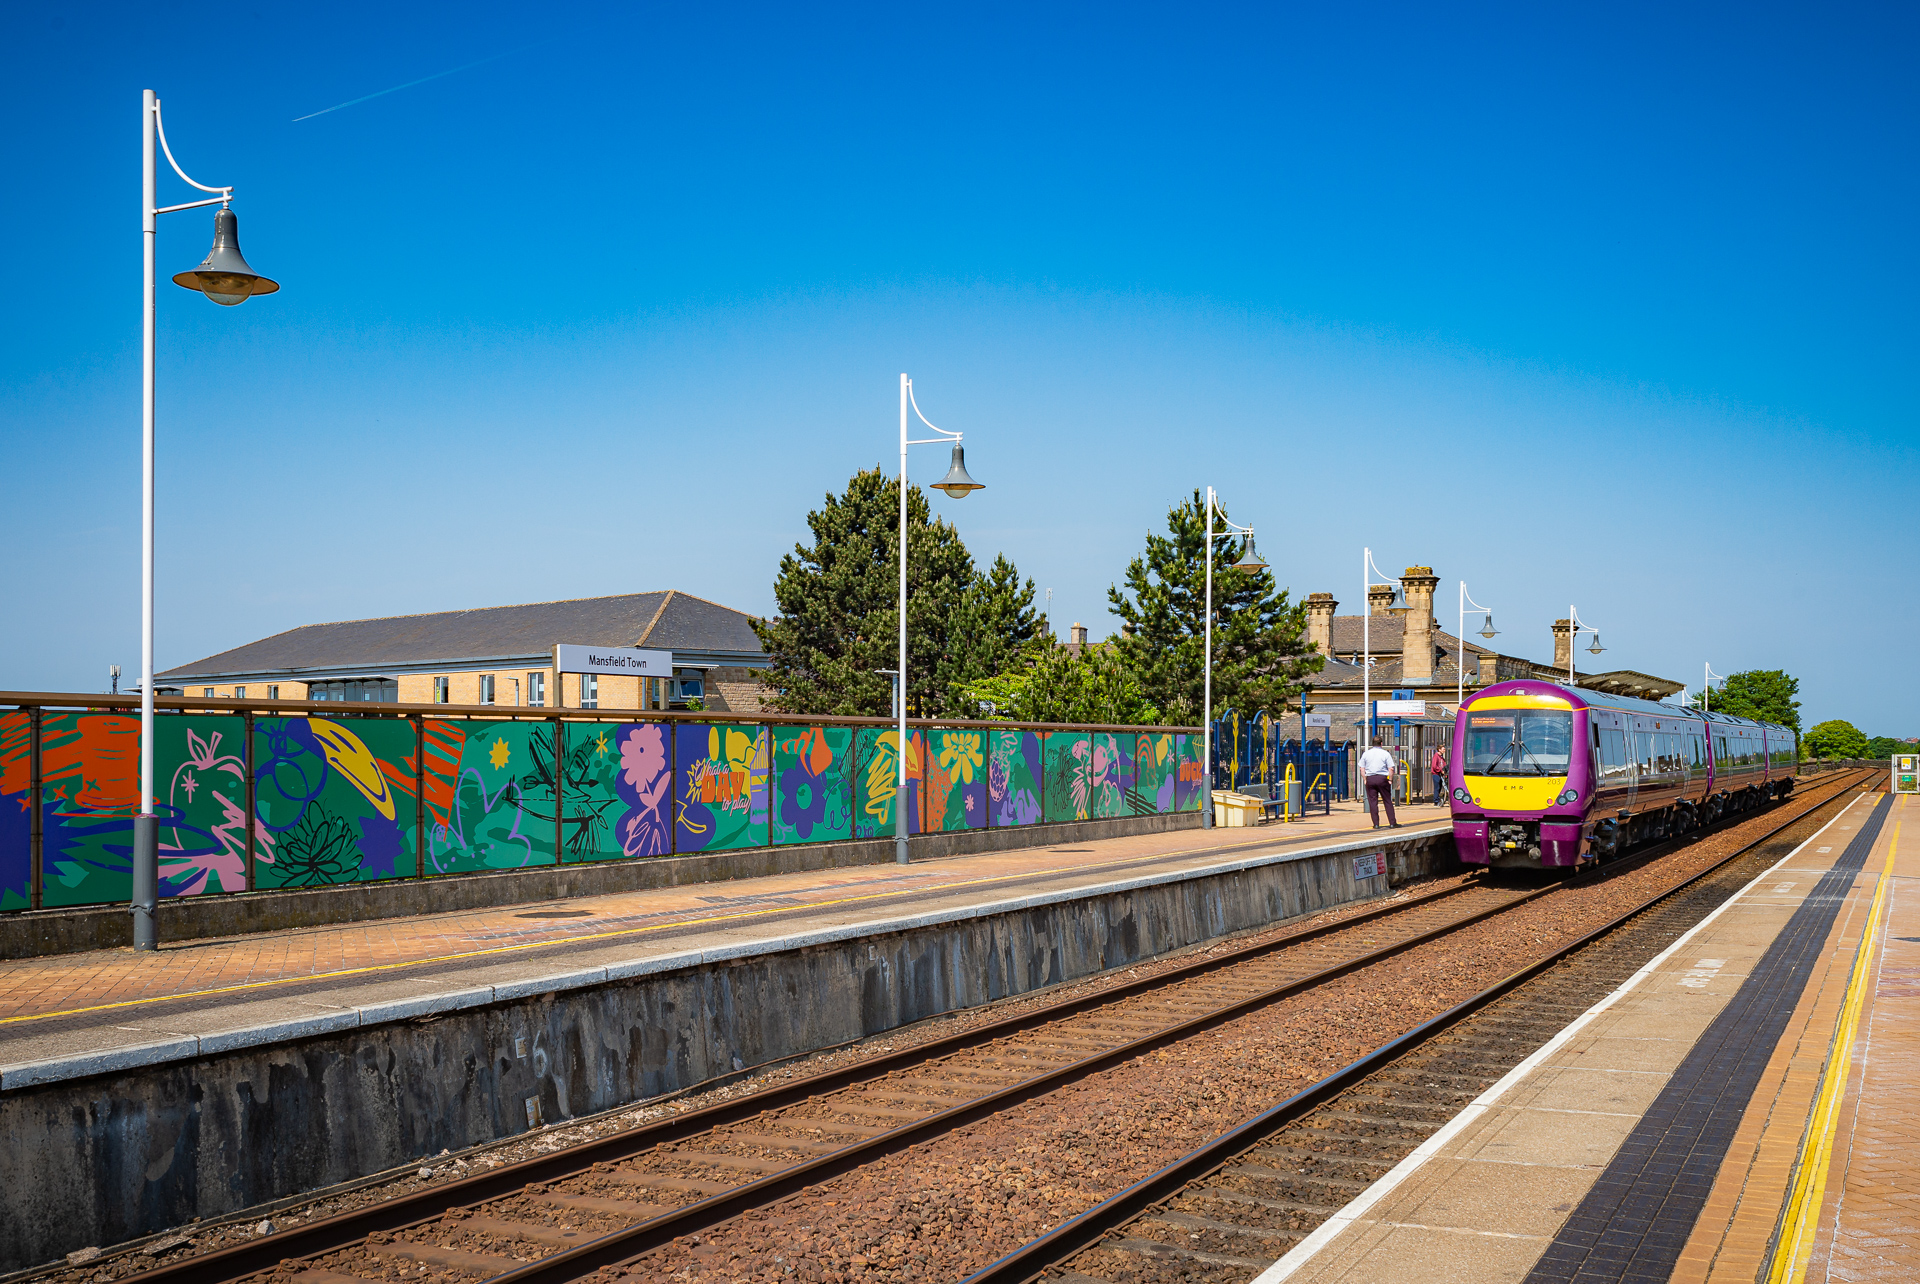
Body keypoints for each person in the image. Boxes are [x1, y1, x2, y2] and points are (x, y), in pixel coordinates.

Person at [1361, 737, 1399, 829]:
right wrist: (1390, 780)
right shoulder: (1385, 754)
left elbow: (1362, 768)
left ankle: (1376, 824)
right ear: (1381, 743)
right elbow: (1391, 768)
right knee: (1387, 800)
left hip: (1370, 779)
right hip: (1382, 779)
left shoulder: (1366, 754)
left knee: (1373, 802)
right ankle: (1392, 823)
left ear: (1372, 743)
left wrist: (1365, 779)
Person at [1430, 742, 1450, 806]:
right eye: (1443, 749)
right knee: (1437, 787)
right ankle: (1436, 801)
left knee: (1440, 787)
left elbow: (1444, 765)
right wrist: (1440, 770)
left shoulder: (1441, 758)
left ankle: (1438, 799)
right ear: (1439, 749)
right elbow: (1434, 766)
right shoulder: (1436, 756)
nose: (1444, 750)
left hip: (1440, 774)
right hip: (1436, 774)